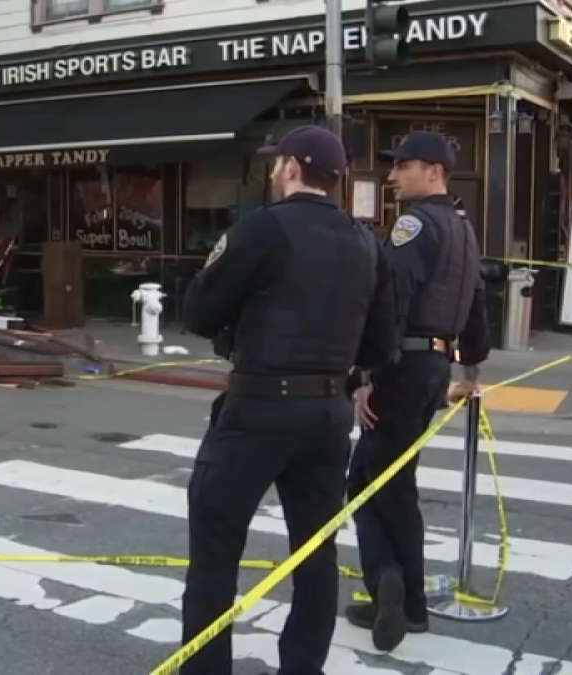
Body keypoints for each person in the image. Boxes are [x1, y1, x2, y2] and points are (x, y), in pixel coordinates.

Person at [180, 125, 399, 675]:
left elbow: (200, 312)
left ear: (294, 167)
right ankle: (302, 666)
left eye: (277, 163)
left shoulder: (262, 229)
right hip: (327, 411)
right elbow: (381, 343)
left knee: (215, 550)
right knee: (315, 552)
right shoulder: (366, 241)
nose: (273, 171)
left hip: (258, 406)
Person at [345, 131, 490, 651]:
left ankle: (390, 582)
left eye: (401, 166)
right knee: (390, 478)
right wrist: (472, 366)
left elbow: (390, 299)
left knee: (369, 481)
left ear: (432, 171)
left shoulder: (414, 225)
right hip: (433, 364)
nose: (391, 176)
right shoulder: (463, 229)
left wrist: (364, 377)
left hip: (402, 365)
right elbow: (476, 301)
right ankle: (405, 598)